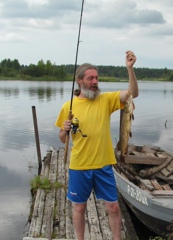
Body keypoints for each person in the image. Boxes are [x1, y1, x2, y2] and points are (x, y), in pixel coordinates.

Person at [55, 50, 138, 240]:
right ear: (80, 81)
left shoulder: (106, 100)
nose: (95, 82)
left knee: (113, 206)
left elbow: (133, 94)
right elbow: (62, 138)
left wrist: (130, 69)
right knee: (79, 207)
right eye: (90, 78)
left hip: (103, 164)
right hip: (79, 165)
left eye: (97, 78)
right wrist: (64, 130)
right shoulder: (68, 106)